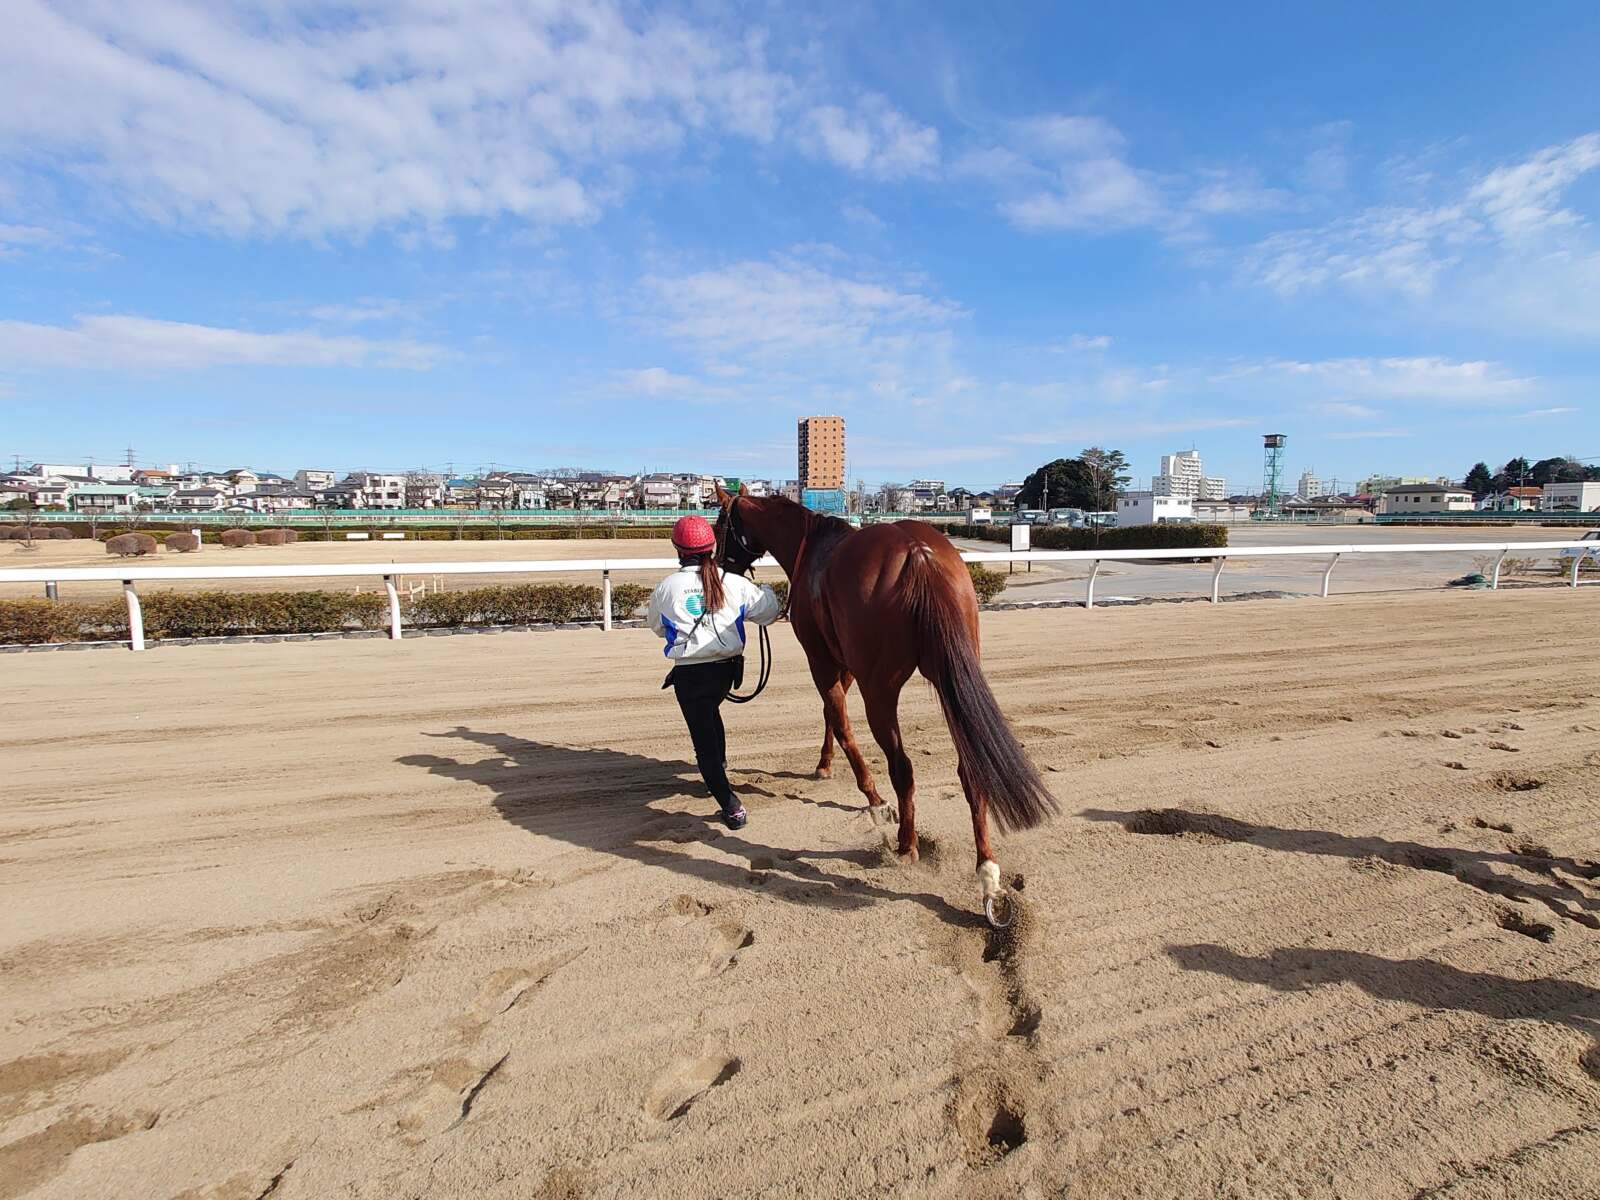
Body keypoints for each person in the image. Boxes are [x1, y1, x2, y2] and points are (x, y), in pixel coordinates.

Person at [648, 514, 781, 829]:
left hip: (690, 677)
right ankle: (719, 765)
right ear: (713, 547)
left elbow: (658, 628)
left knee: (703, 741)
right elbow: (770, 612)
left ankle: (731, 806)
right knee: (711, 711)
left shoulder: (665, 587)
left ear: (678, 550)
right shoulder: (734, 582)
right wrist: (764, 589)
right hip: (727, 673)